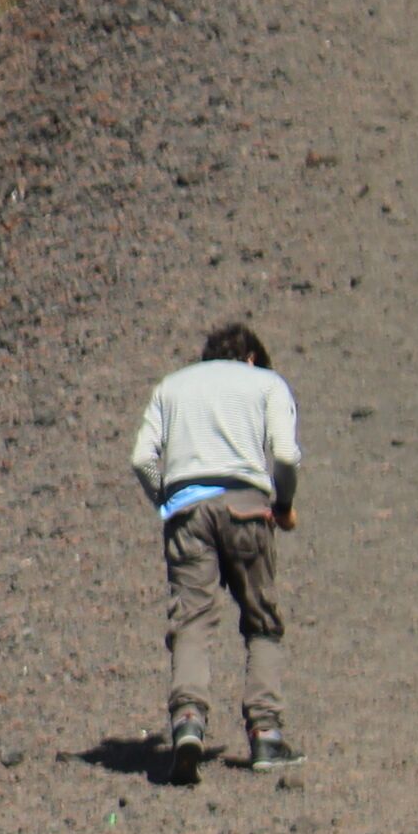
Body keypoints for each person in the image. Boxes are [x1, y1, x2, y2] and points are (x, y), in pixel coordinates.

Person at [128, 322, 306, 773]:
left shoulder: (171, 386)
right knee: (261, 620)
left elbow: (141, 458)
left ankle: (188, 720)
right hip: (247, 506)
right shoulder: (266, 383)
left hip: (187, 512)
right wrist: (283, 504)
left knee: (191, 621)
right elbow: (283, 455)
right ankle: (266, 735)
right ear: (250, 358)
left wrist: (166, 501)